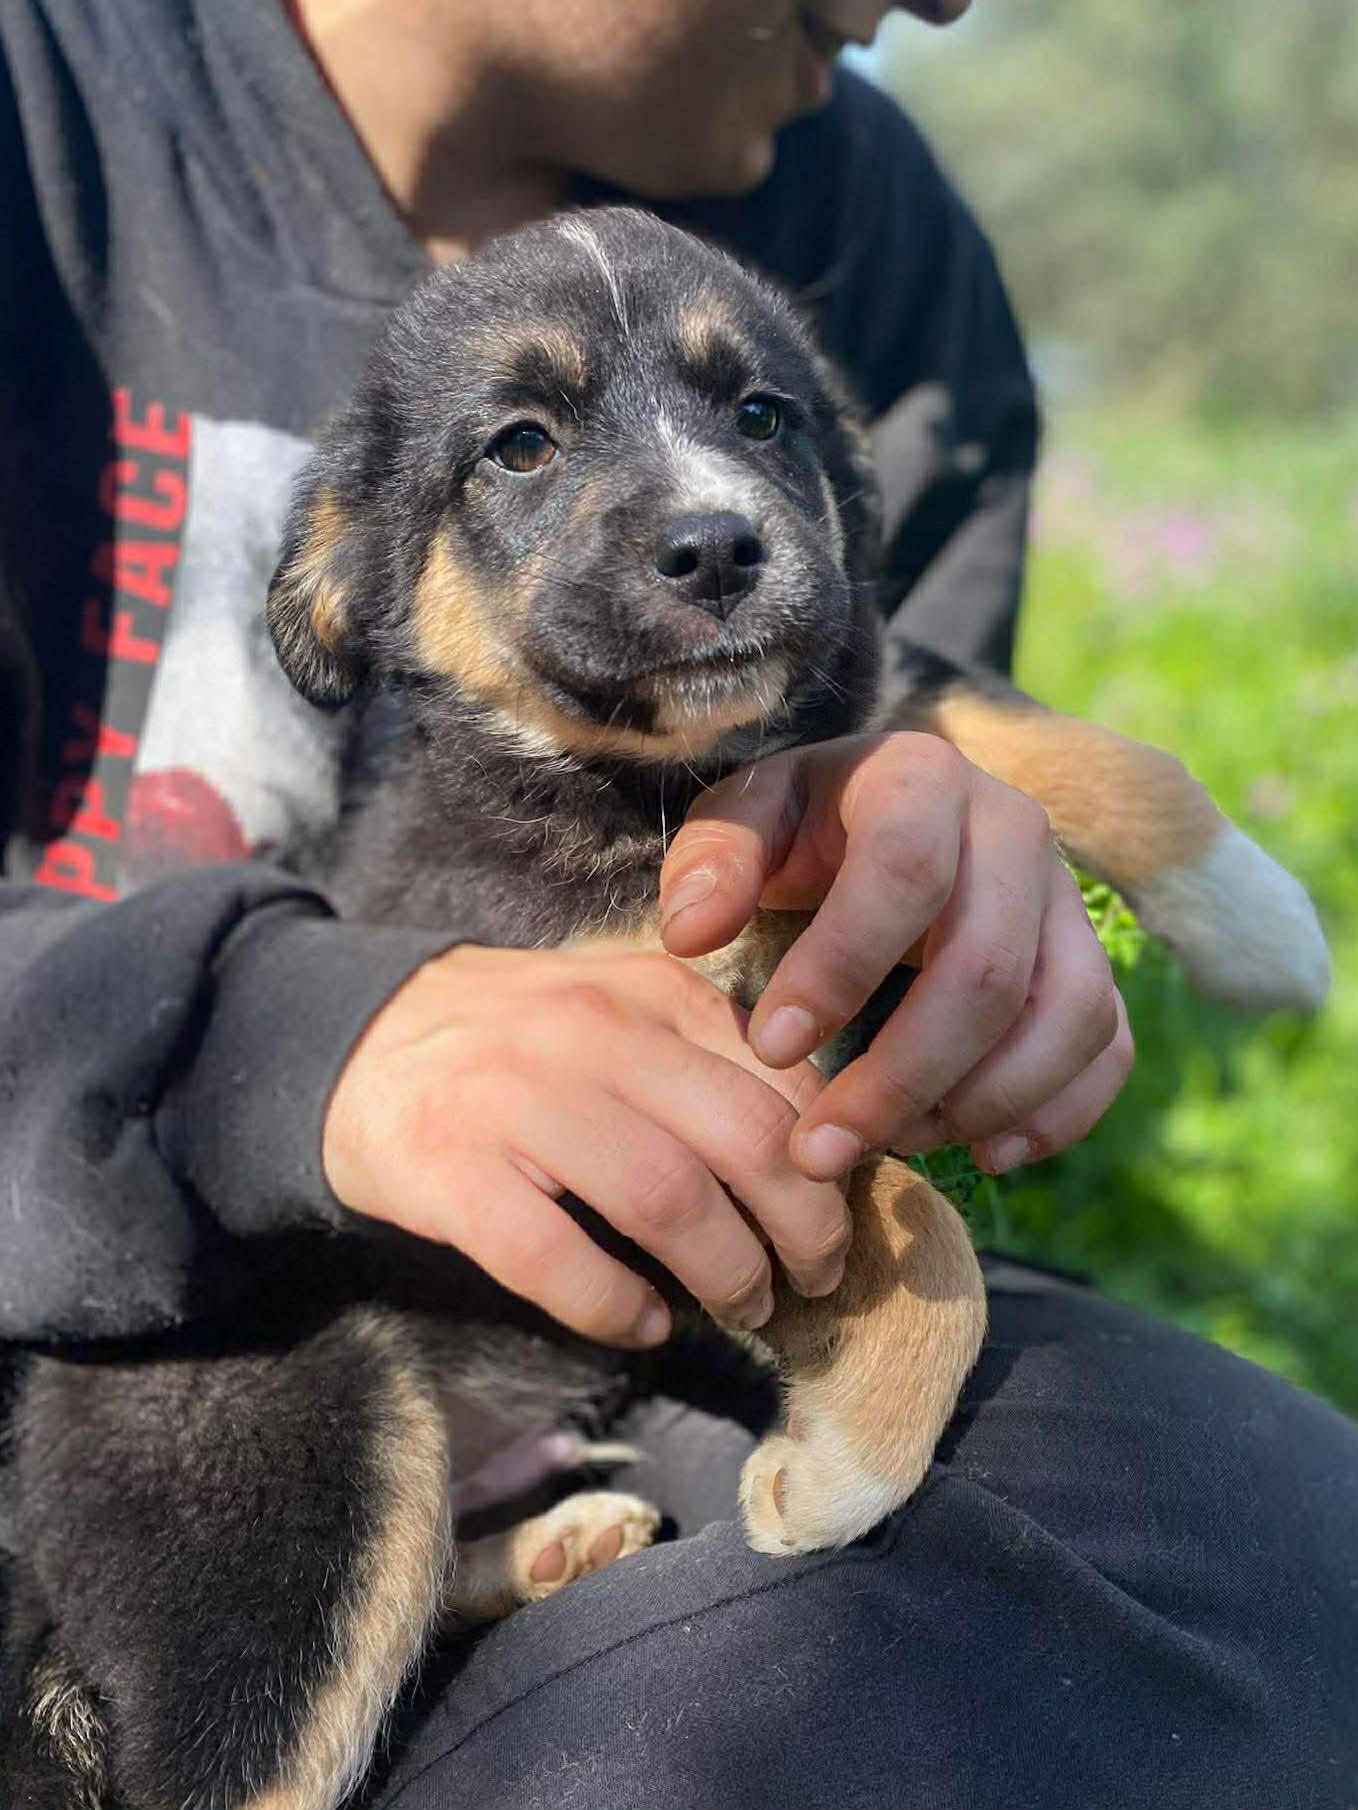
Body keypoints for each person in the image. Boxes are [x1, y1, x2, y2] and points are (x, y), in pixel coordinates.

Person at [0, 3, 1353, 1805]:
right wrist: (284, 1045)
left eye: (758, 421)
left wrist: (971, 901)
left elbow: (900, 694)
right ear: (349, 578)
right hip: (156, 1326)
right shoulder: (41, 111)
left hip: (647, 1363)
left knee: (1270, 1554)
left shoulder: (864, 217)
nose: (705, 510)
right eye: (523, 447)